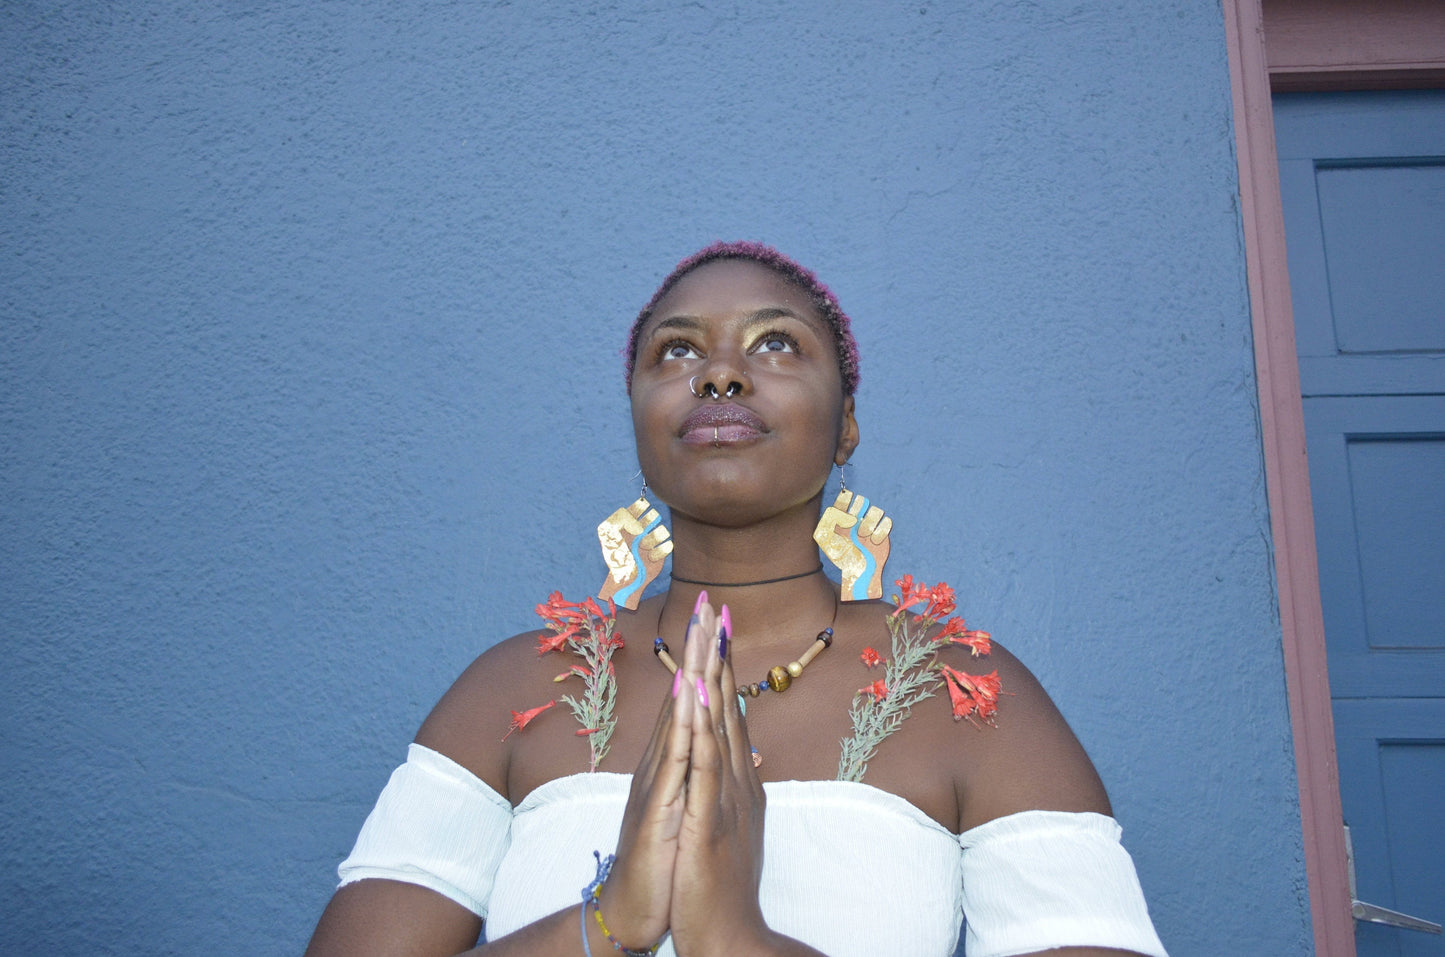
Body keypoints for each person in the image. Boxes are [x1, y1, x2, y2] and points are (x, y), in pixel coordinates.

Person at [305, 242, 1168, 957]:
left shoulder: (970, 701)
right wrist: (608, 919)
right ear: (637, 413)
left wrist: (731, 938)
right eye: (676, 351)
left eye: (776, 344)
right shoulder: (508, 691)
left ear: (847, 425)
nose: (718, 373)